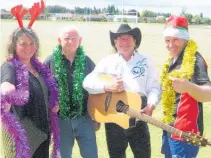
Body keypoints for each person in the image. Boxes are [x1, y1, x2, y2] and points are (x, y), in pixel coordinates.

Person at [83, 23, 161, 158]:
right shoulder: (107, 61)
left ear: (135, 41)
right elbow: (87, 82)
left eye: (128, 38)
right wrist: (107, 87)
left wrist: (151, 104)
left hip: (139, 113)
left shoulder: (146, 61)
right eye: (120, 38)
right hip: (114, 116)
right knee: (116, 155)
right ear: (115, 42)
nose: (124, 42)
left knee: (143, 154)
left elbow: (154, 87)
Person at [0, 1, 60, 157]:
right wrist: (6, 92)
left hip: (42, 131)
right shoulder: (10, 67)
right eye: (23, 44)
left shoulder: (40, 69)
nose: (28, 48)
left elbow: (47, 91)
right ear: (14, 45)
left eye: (32, 44)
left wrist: (54, 102)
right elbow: (6, 83)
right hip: (23, 134)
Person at [160, 15, 211, 158]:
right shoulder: (171, 59)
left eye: (175, 39)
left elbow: (209, 93)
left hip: (185, 133)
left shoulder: (194, 59)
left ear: (185, 39)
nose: (170, 45)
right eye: (167, 40)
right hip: (169, 129)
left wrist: (188, 87)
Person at [44, 25, 98, 158]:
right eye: (66, 38)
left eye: (74, 39)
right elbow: (41, 87)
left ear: (80, 40)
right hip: (61, 120)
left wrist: (97, 117)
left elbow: (98, 88)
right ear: (59, 40)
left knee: (91, 155)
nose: (70, 42)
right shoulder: (50, 61)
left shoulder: (87, 61)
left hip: (85, 118)